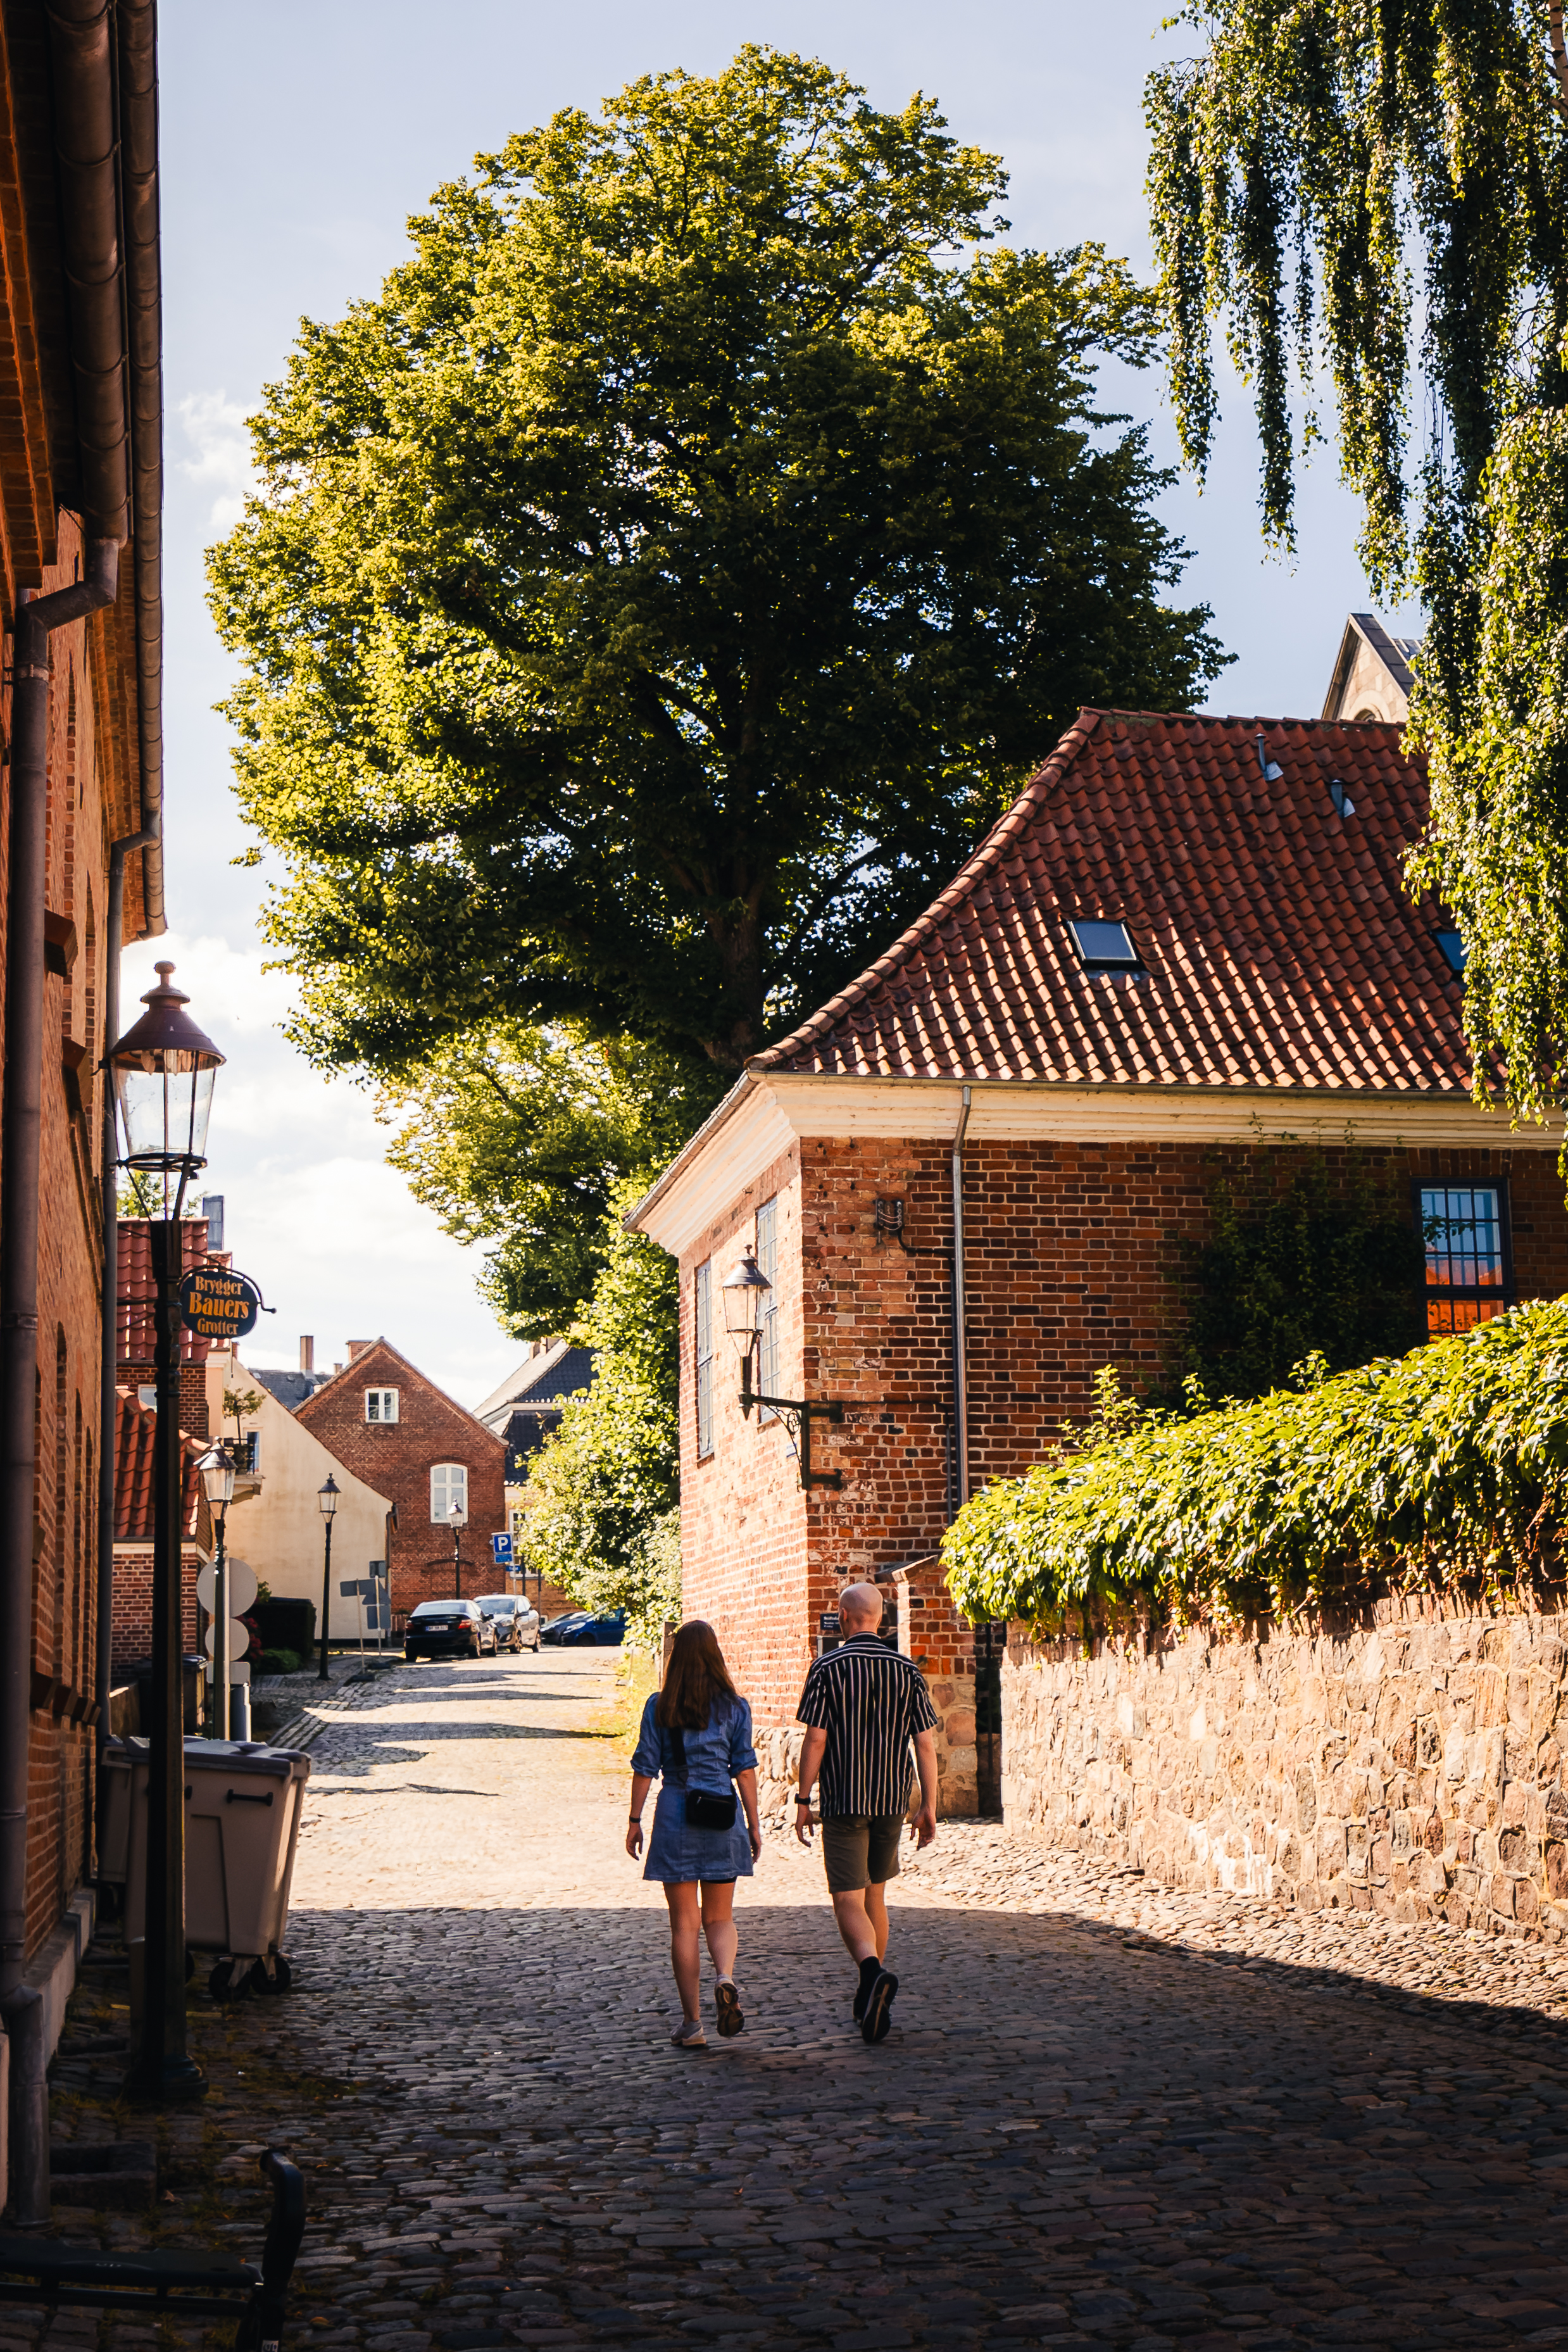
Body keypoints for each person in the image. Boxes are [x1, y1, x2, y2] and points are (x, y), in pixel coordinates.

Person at [794, 1580, 939, 2044]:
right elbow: (924, 1741)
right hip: (892, 1799)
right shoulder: (906, 1669)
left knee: (846, 1898)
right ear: (881, 1616)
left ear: (841, 1615)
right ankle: (867, 1994)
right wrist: (929, 1805)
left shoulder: (827, 1667)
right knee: (875, 1896)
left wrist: (801, 1798)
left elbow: (815, 1738)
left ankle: (872, 1971)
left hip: (844, 1799)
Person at [629, 1620, 763, 2049]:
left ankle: (693, 2024)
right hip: (722, 1814)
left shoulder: (658, 1706)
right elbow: (744, 1768)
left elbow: (645, 1767)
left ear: (676, 1657)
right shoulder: (735, 1707)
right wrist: (754, 1823)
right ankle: (725, 1976)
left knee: (684, 1925)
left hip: (676, 1813)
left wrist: (634, 1819)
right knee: (720, 1916)